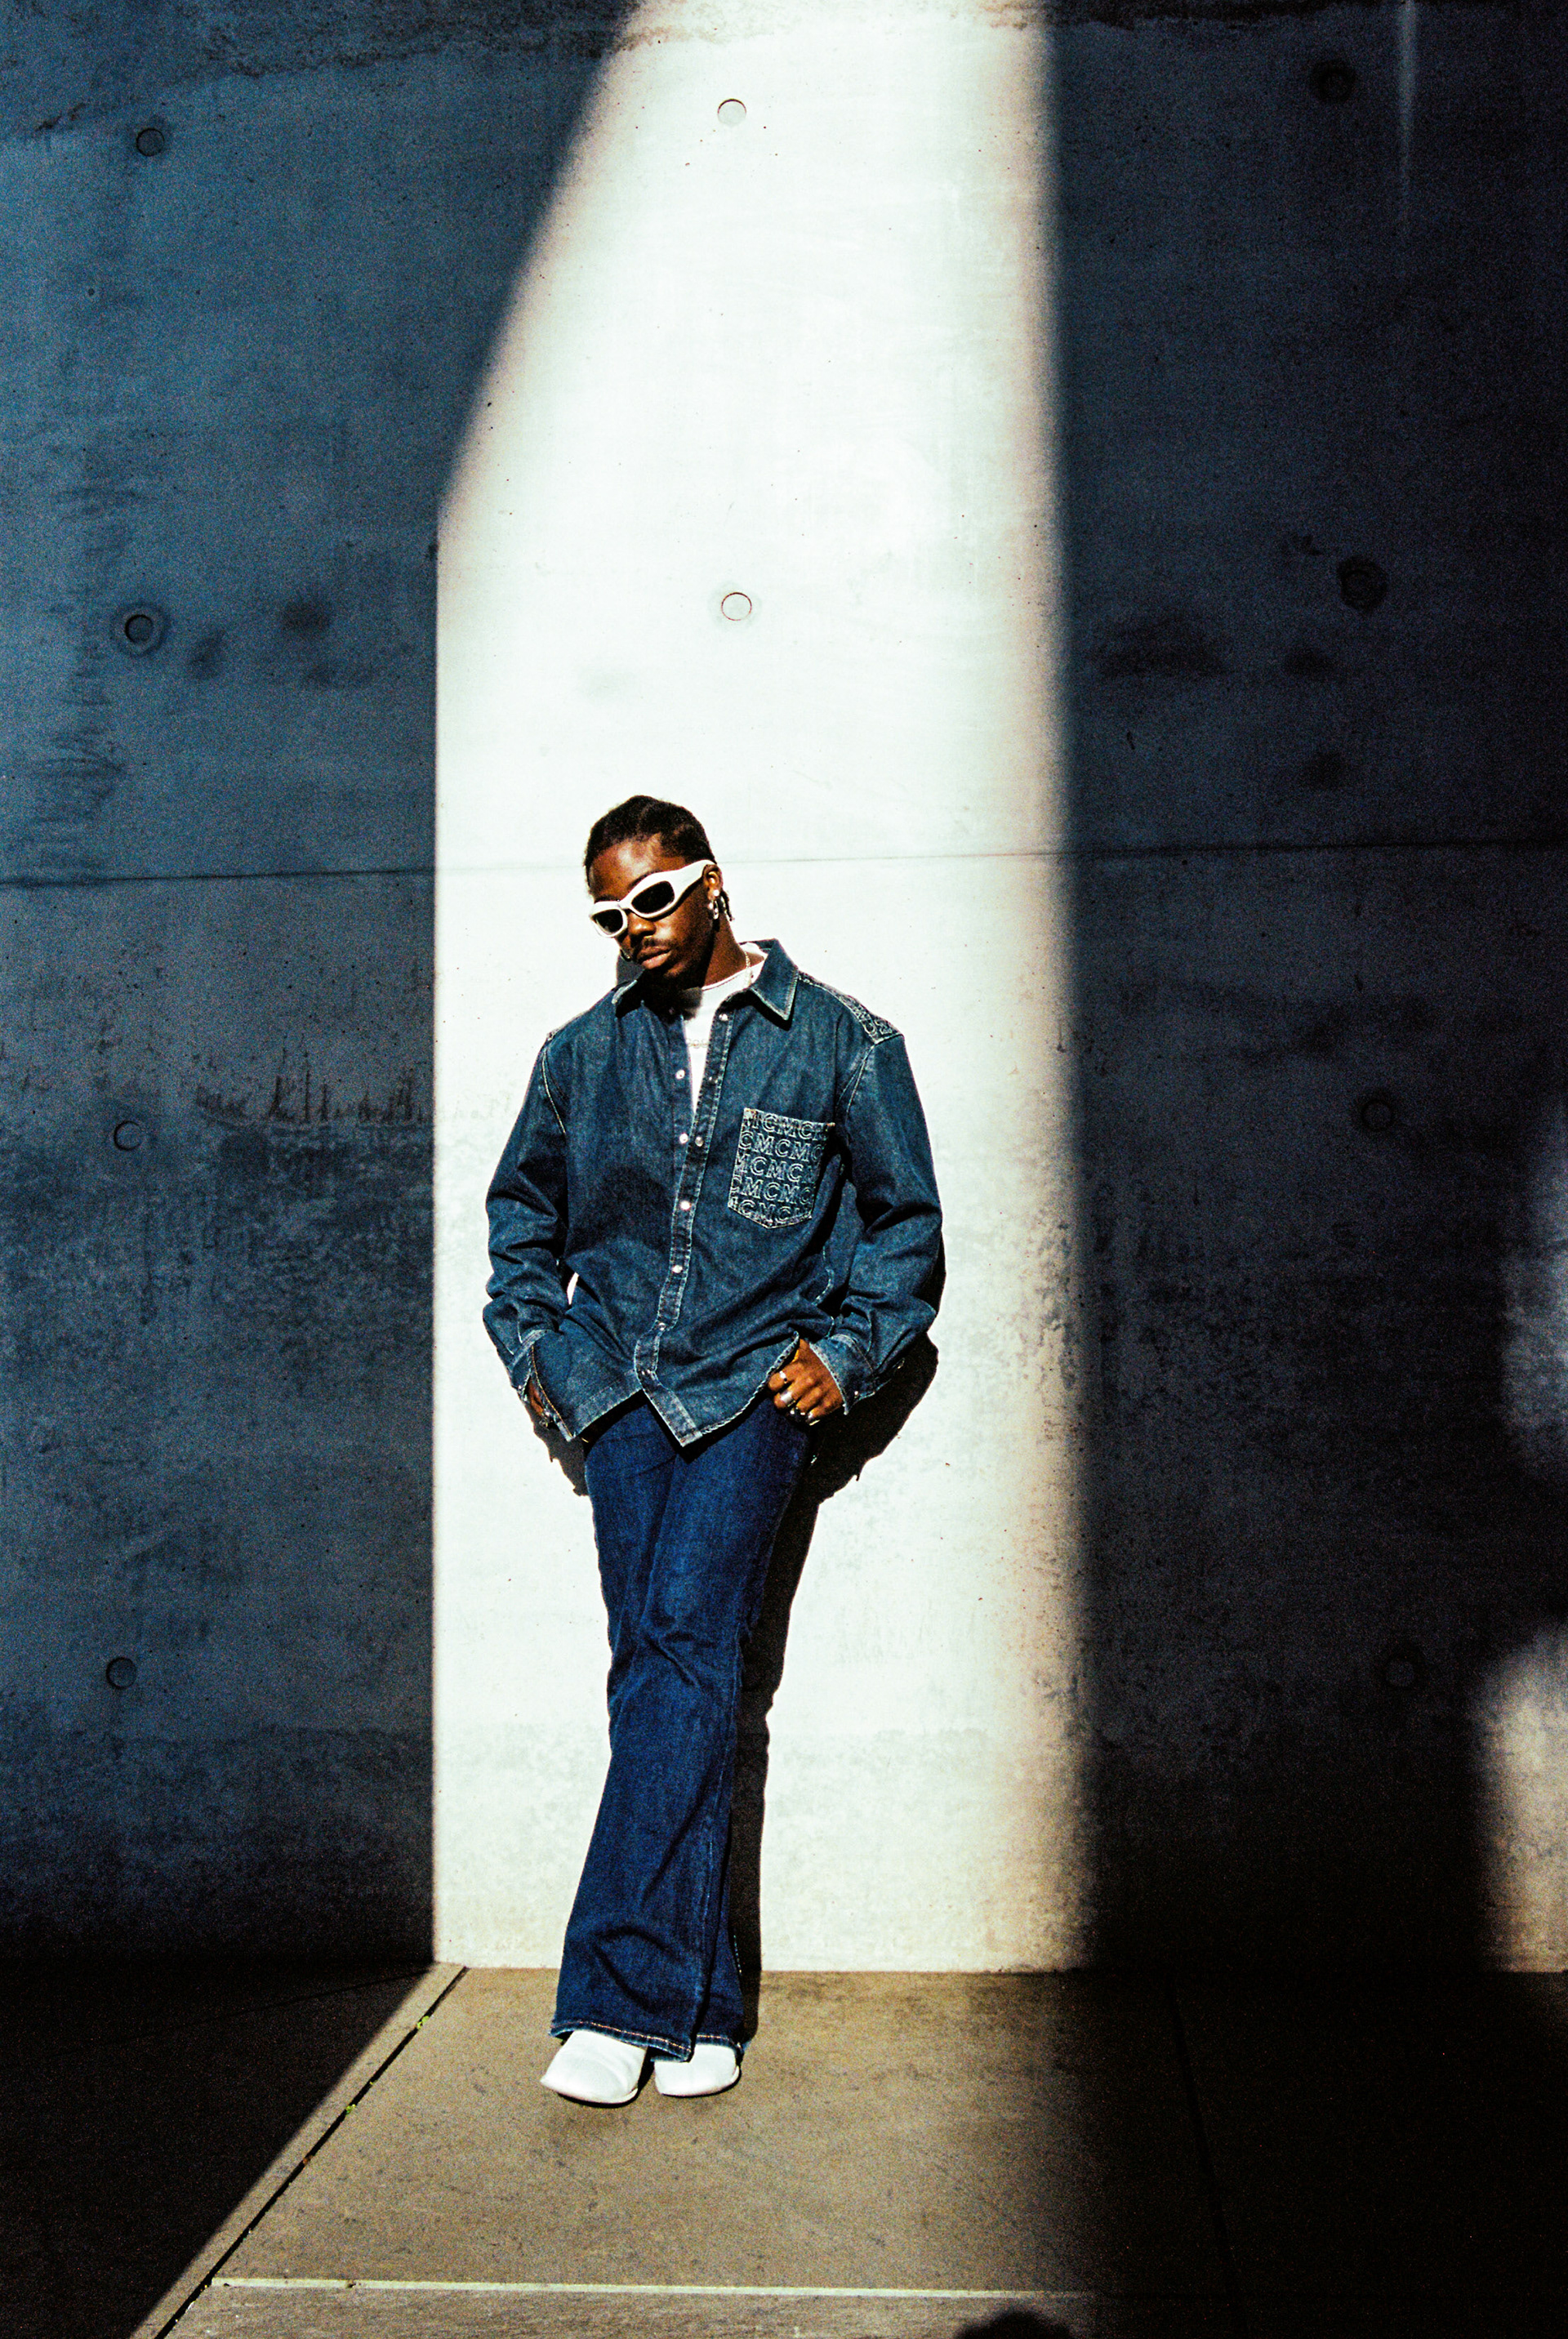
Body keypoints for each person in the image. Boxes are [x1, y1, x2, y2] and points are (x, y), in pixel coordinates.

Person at [483, 795, 942, 2105]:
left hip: (752, 1396)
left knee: (683, 1643)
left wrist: (846, 1354)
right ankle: (704, 2009)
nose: (631, 929)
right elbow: (520, 1221)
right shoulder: (580, 1055)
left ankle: (616, 2002)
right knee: (664, 1669)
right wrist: (542, 1357)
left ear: (710, 882)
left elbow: (906, 1227)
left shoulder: (845, 1043)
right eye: (608, 914)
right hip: (621, 1393)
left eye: (650, 898)